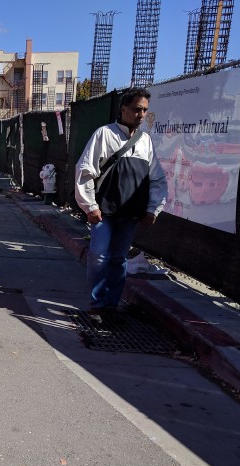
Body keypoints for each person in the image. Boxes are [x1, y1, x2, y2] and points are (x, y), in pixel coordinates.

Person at [74, 87, 168, 324]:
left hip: (130, 214)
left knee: (118, 259)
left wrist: (152, 208)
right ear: (124, 109)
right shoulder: (104, 135)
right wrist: (90, 206)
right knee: (99, 256)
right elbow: (85, 171)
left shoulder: (145, 141)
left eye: (145, 110)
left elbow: (156, 178)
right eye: (137, 109)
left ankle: (110, 306)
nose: (141, 114)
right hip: (104, 212)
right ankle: (97, 305)